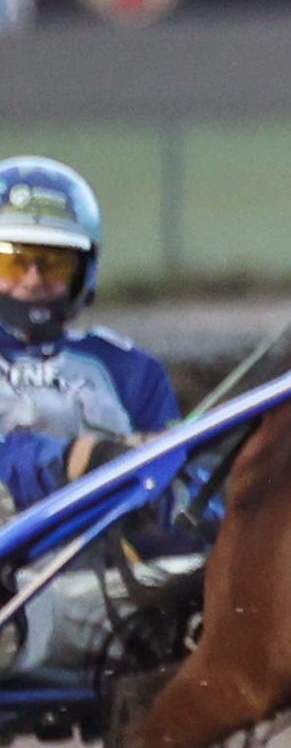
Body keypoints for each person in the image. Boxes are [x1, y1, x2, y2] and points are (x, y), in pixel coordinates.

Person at [0, 157, 184, 683]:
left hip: (111, 579)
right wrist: (80, 461)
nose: (33, 280)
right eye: (14, 263)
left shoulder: (129, 369)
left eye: (53, 265)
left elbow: (179, 502)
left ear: (84, 272)